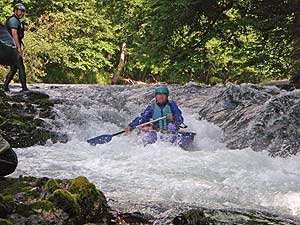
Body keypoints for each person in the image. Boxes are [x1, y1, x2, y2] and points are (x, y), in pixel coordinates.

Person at [3, 3, 28, 92]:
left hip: (10, 47)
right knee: (21, 67)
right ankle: (24, 89)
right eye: (21, 11)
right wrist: (18, 48)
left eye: (23, 12)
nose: (22, 13)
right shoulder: (13, 20)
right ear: (16, 11)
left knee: (14, 68)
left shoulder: (17, 20)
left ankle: (5, 86)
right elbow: (14, 34)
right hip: (12, 48)